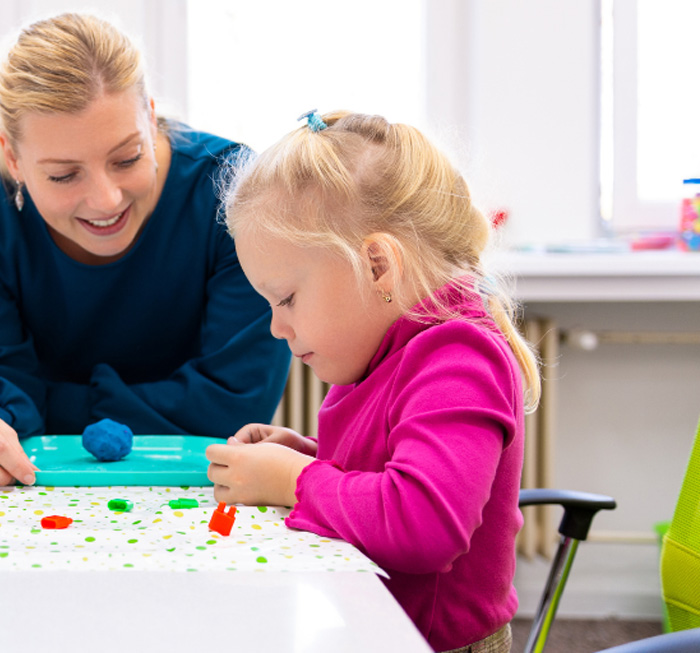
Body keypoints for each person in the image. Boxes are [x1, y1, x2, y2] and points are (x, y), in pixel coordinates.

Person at [205, 110, 541, 653]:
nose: (275, 326)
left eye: (286, 298)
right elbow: (393, 468)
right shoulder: (385, 349)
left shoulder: (458, 356)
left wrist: (295, 481)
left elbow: (424, 523)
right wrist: (312, 457)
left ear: (378, 266)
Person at [0, 13, 289, 487]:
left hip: (203, 489)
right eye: (63, 175)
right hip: (34, 495)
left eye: (128, 157)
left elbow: (233, 406)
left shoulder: (235, 193)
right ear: (12, 158)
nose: (106, 200)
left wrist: (39, 404)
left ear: (151, 117)